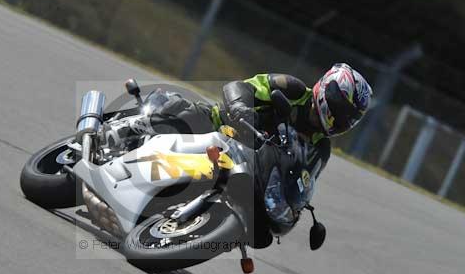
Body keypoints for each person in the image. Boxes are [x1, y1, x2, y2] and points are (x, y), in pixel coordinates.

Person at [117, 63, 372, 246]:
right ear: (328, 90)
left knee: (260, 228)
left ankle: (182, 225)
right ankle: (121, 133)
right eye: (340, 108)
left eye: (348, 117)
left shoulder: (321, 149)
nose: (340, 118)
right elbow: (241, 86)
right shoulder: (292, 90)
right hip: (223, 129)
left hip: (250, 170)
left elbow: (302, 177)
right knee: (183, 116)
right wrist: (240, 106)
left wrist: (295, 204)